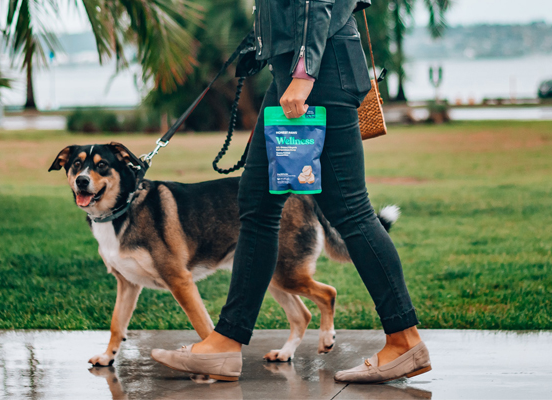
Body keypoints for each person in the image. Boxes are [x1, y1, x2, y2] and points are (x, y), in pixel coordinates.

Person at [151, 0, 431, 383]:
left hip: (320, 70)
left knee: (349, 208)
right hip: (299, 66)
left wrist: (304, 71)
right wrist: (265, 44)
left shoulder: (310, 66)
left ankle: (405, 341)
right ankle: (226, 344)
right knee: (257, 202)